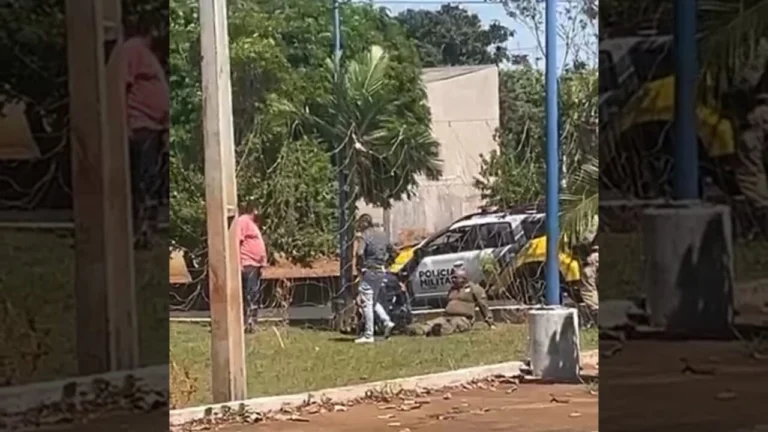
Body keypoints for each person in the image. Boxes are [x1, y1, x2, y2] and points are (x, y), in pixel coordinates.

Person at [119, 19, 169, 249]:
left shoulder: (150, 54)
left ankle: (147, 231)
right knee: (143, 181)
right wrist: (124, 124)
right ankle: (139, 232)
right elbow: (121, 86)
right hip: (140, 126)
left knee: (152, 181)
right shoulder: (133, 49)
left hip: (155, 127)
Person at [405, 262, 495, 337]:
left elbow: (483, 306)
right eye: (452, 277)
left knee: (453, 324)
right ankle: (418, 330)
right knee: (432, 322)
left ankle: (438, 331)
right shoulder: (452, 289)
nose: (452, 279)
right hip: (446, 317)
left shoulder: (474, 289)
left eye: (455, 277)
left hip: (463, 319)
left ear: (463, 278)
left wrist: (490, 323)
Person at [354, 213, 396, 344]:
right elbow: (394, 252)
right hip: (381, 271)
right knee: (373, 300)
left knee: (366, 302)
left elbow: (360, 253)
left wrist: (360, 267)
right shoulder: (382, 235)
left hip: (369, 270)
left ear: (363, 224)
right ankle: (386, 321)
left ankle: (368, 334)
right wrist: (388, 263)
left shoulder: (365, 236)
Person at [237, 202, 267, 333]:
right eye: (257, 209)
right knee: (250, 293)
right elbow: (237, 241)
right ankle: (248, 323)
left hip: (256, 264)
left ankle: (252, 321)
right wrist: (238, 263)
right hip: (248, 263)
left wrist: (263, 261)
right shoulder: (243, 221)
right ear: (253, 209)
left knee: (255, 293)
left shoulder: (253, 224)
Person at [573, 215, 599, 314]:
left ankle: (595, 311)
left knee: (588, 286)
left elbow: (587, 238)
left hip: (593, 255)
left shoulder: (592, 217)